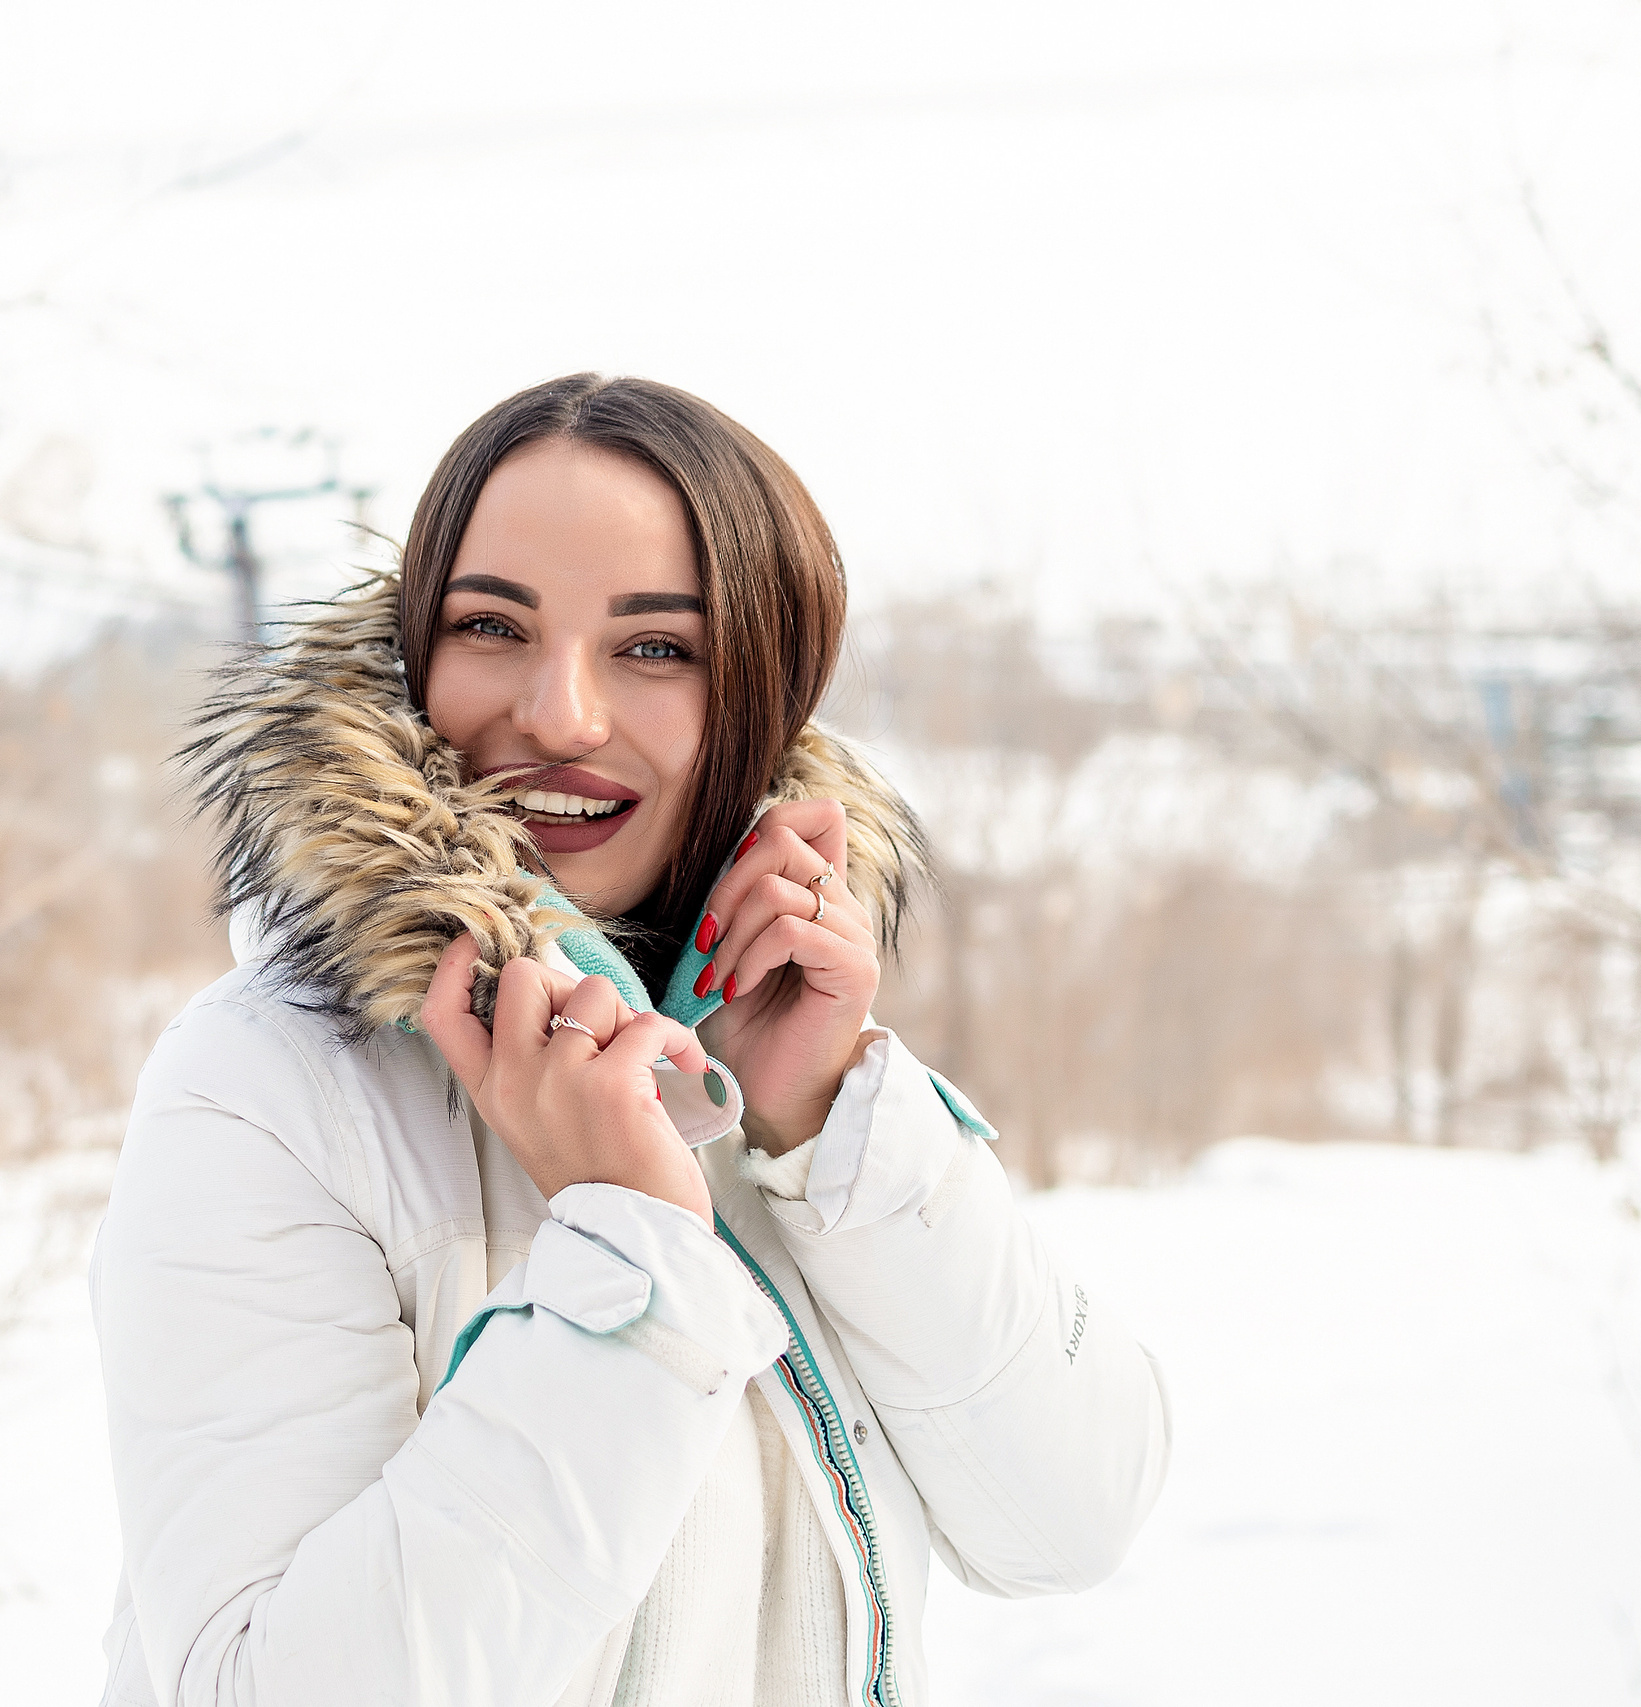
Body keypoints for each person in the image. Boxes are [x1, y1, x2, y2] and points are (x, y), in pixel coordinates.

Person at [93, 373, 1171, 1707]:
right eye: (492, 627)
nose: (558, 714)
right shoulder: (269, 1090)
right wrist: (631, 1254)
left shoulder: (774, 1061)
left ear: (765, 696)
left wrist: (837, 1125)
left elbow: (1070, 1519)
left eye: (656, 647)